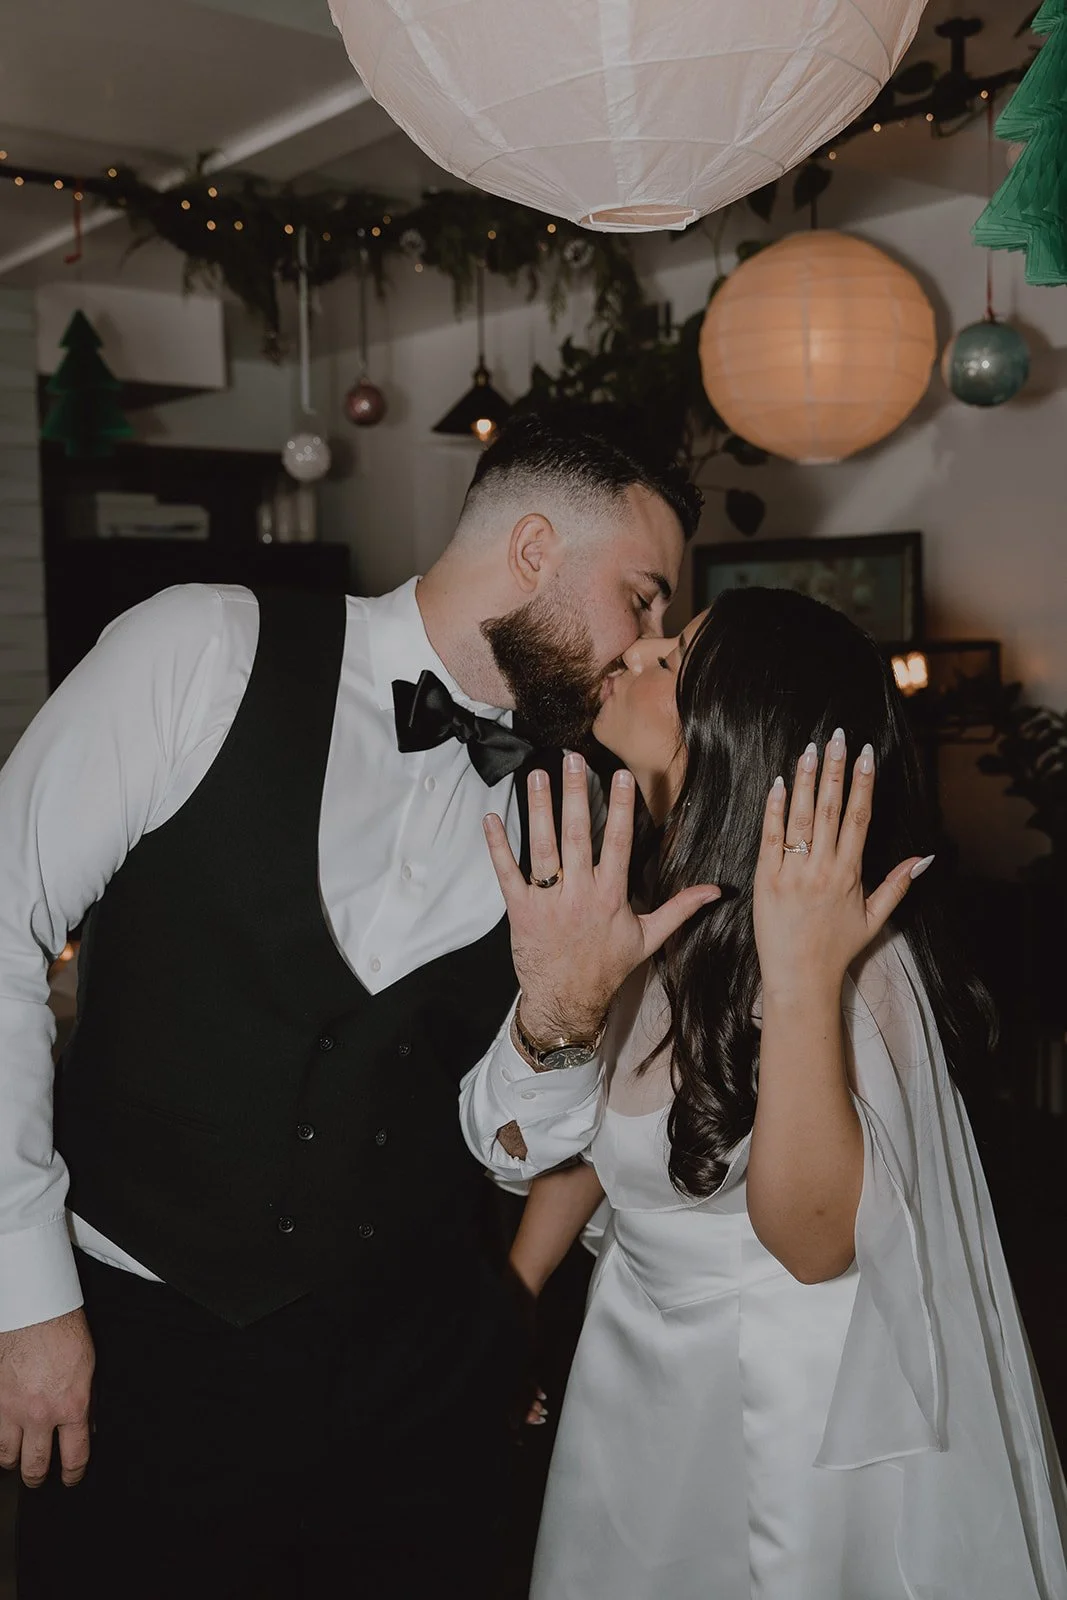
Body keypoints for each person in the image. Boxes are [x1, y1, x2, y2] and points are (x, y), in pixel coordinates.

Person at [0, 407, 702, 1599]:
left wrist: (559, 1026)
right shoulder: (199, 650)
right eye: (641, 598)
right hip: (146, 1348)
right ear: (535, 551)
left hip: (422, 1372)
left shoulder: (582, 812)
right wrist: (23, 1293)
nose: (648, 646)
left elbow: (502, 1136)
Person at [461, 585, 1067, 1600]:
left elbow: (810, 1240)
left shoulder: (849, 963)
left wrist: (795, 982)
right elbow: (625, 1139)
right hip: (632, 1381)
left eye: (675, 662)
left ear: (731, 734)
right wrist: (513, 1301)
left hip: (778, 1415)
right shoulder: (647, 902)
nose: (640, 649)